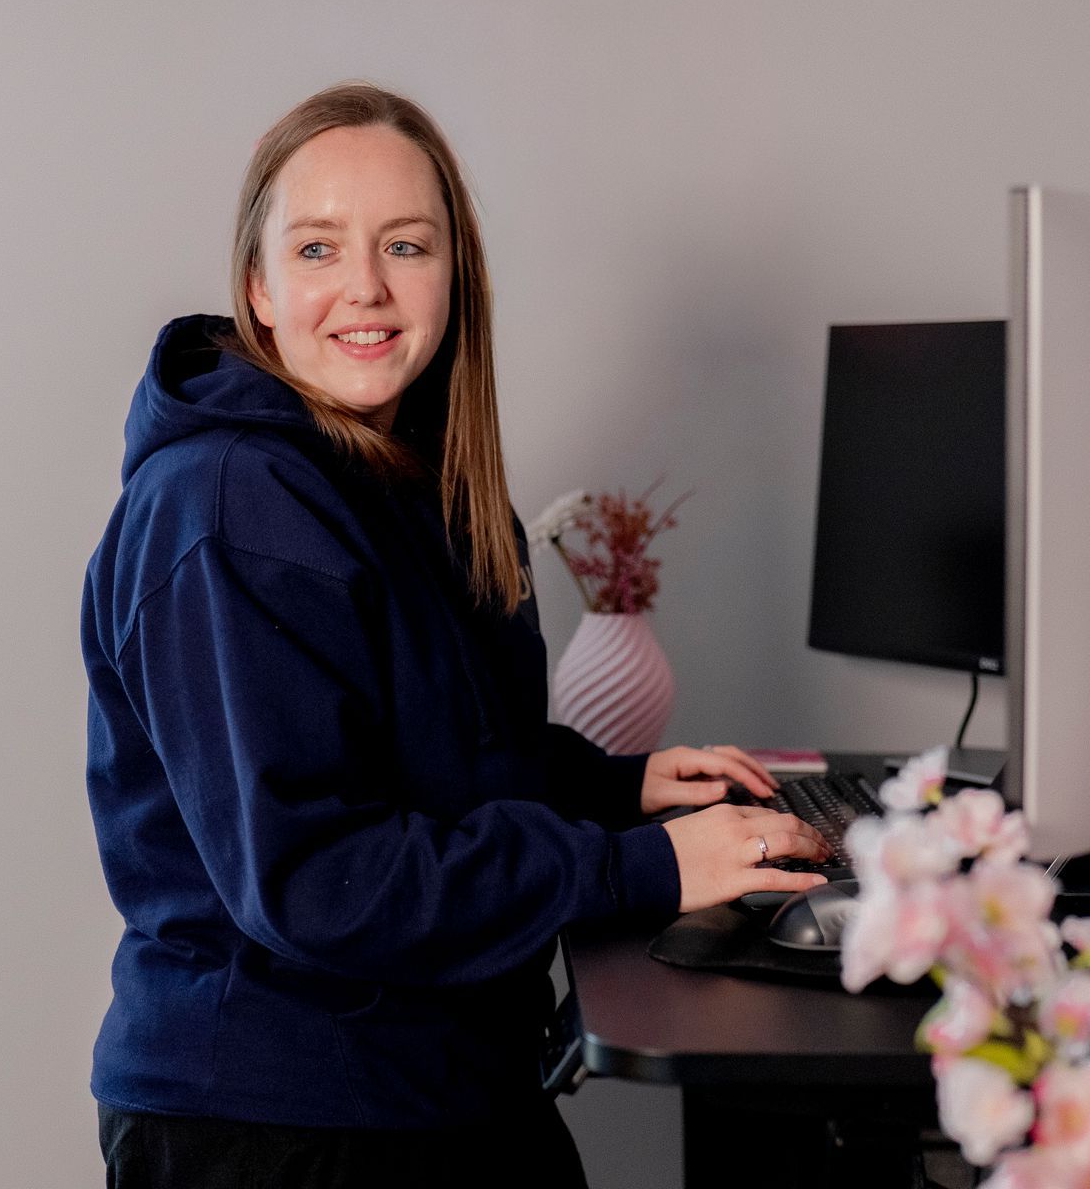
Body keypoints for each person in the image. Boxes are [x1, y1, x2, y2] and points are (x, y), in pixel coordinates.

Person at [81, 81, 832, 1188]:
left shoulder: (406, 481)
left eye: (406, 245)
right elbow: (322, 878)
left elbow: (429, 760)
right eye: (319, 249)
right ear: (260, 290)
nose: (367, 287)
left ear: (454, 274)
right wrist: (641, 867)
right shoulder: (234, 504)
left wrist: (613, 787)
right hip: (287, 1121)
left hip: (434, 1085)